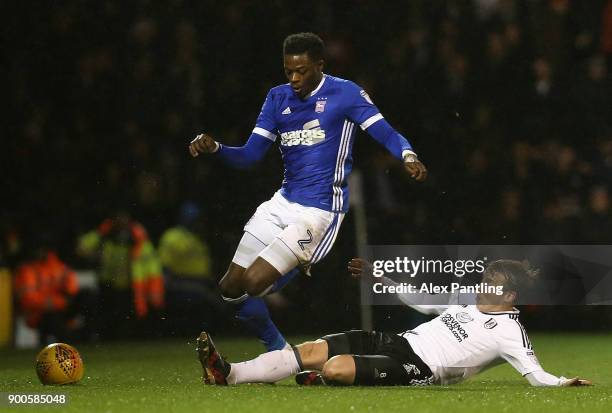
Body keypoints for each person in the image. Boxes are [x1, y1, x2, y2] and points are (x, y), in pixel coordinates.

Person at [188, 32, 428, 351]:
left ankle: (292, 304)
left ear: (319, 65)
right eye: (289, 71)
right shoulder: (277, 98)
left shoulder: (345, 93)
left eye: (302, 71)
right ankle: (281, 352)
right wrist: (216, 148)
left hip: (319, 213)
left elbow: (386, 132)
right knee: (230, 287)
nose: (295, 78)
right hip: (282, 202)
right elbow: (249, 156)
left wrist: (407, 154)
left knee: (253, 282)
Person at [196, 259, 591, 387]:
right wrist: (381, 278)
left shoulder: (511, 332)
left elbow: (536, 375)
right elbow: (423, 301)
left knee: (332, 367)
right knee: (311, 351)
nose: (483, 286)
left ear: (510, 297)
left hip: (416, 367)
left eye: (493, 284)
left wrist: (565, 383)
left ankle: (329, 379)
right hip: (395, 341)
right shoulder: (467, 301)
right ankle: (227, 374)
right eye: (484, 278)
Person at [77, 211, 165, 339]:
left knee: (126, 318)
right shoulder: (107, 233)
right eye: (119, 217)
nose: (121, 220)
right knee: (108, 317)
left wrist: (150, 286)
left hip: (130, 284)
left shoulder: (136, 236)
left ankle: (125, 339)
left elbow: (149, 262)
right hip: (108, 282)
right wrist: (99, 237)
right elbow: (82, 248)